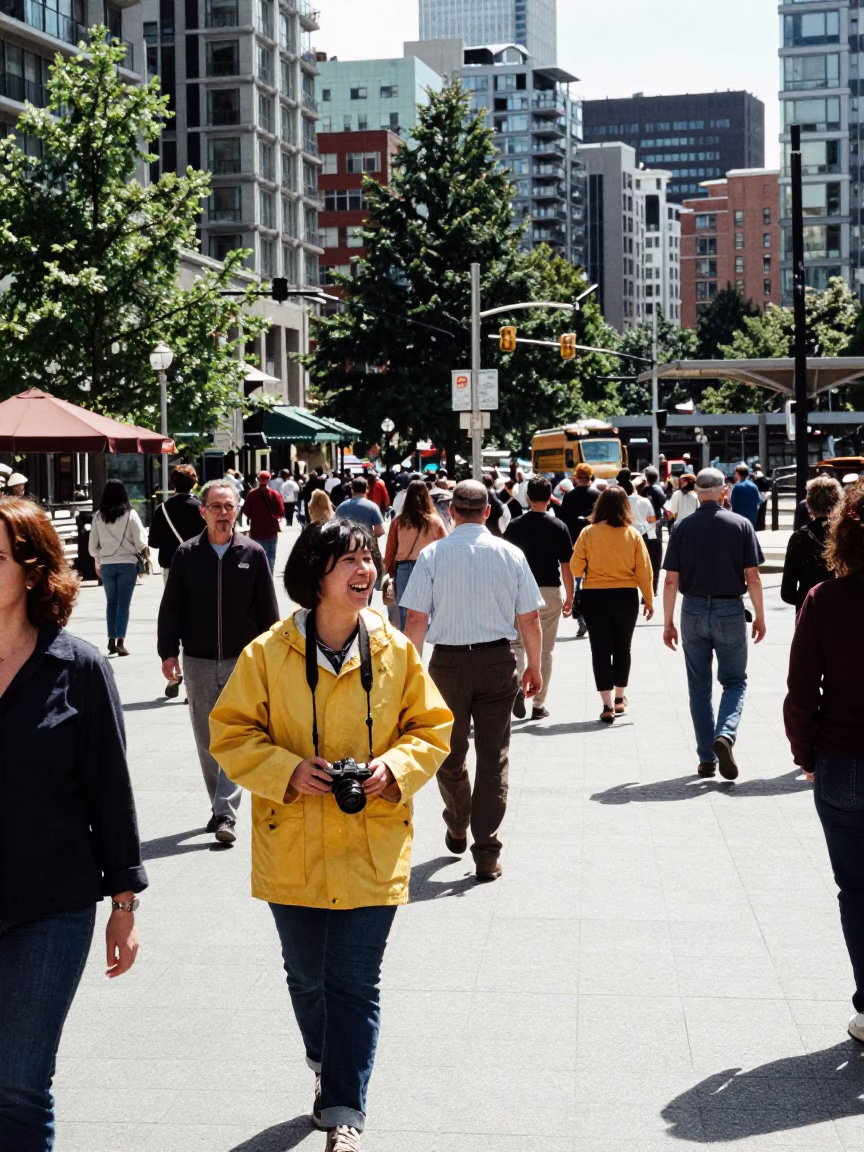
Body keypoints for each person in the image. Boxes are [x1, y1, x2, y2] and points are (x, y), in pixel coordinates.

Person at [209, 519, 452, 1152]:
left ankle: (344, 1110)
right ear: (316, 573)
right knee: (306, 977)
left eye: (369, 558)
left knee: (354, 980)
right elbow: (229, 735)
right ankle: (325, 1062)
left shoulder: (396, 649)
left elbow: (432, 730)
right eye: (349, 559)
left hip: (372, 846)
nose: (365, 569)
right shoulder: (266, 653)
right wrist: (288, 770)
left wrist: (392, 769)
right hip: (290, 843)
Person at [0, 498, 147, 1152]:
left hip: (50, 906)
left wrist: (123, 901)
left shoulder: (79, 668)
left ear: (32, 572)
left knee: (20, 1083)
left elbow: (109, 791)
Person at [402, 480, 544, 881]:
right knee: (493, 756)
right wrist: (535, 666)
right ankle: (486, 850)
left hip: (446, 664)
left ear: (452, 513)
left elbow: (415, 619)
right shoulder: (510, 553)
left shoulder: (432, 555)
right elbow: (529, 618)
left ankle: (458, 817)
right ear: (487, 512)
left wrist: (410, 670)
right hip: (498, 660)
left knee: (447, 751)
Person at [784, 484, 864, 1044]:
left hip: (844, 760)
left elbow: (799, 690)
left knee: (857, 891)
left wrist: (805, 755)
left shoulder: (824, 599)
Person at [158, 480, 279, 844]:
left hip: (242, 660)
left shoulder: (253, 554)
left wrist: (272, 656)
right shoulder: (186, 554)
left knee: (237, 733)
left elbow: (268, 612)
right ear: (203, 511)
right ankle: (218, 804)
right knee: (207, 738)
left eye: (229, 507)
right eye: (216, 507)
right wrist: (167, 652)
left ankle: (225, 812)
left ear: (237, 510)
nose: (223, 514)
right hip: (196, 658)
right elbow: (171, 608)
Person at [662, 467, 766, 780]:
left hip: (692, 608)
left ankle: (707, 758)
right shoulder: (741, 525)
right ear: (724, 491)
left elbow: (669, 581)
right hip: (729, 609)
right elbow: (753, 577)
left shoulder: (682, 527)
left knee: (698, 687)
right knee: (734, 681)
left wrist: (668, 622)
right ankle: (726, 734)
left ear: (696, 492)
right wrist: (760, 615)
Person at [569, 486, 653, 723]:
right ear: (625, 506)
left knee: (600, 650)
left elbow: (576, 567)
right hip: (626, 596)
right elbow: (644, 570)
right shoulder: (633, 534)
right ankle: (619, 698)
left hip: (594, 596)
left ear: (599, 506)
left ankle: (606, 705)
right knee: (622, 648)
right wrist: (648, 597)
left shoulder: (587, 533)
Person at [504, 477, 574, 721]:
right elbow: (566, 566)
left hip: (519, 590)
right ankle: (539, 704)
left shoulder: (513, 526)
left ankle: (515, 688)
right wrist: (570, 596)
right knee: (545, 650)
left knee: (517, 645)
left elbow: (505, 563)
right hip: (549, 591)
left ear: (527, 497)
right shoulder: (559, 526)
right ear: (549, 498)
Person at [88, 479, 146, 657]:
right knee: (123, 604)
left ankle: (111, 639)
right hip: (128, 564)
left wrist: (100, 555)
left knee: (111, 603)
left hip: (107, 565)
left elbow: (91, 547)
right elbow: (141, 542)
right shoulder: (130, 514)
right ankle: (121, 641)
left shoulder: (98, 516)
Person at [383, 479, 448, 632]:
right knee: (426, 609)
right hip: (428, 568)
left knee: (405, 611)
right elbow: (445, 547)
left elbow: (390, 551)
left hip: (404, 568)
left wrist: (389, 572)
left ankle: (408, 646)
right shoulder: (435, 522)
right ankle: (422, 643)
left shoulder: (398, 522)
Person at [781, 475, 843, 612]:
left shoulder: (798, 538)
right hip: (840, 611)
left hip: (808, 611)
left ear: (809, 505)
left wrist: (805, 600)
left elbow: (787, 592)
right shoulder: (845, 535)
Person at [147, 464, 203, 585]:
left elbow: (154, 543)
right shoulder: (202, 509)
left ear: (173, 484)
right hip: (197, 564)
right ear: (193, 483)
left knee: (173, 602)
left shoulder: (162, 509)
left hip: (170, 564)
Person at [242, 471, 285, 574]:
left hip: (256, 530)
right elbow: (281, 511)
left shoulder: (252, 494)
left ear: (258, 479)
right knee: (270, 556)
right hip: (271, 529)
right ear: (269, 480)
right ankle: (269, 575)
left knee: (257, 554)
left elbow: (246, 511)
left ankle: (258, 575)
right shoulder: (275, 494)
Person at [643, 465, 668, 596]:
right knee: (656, 558)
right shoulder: (658, 490)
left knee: (644, 559)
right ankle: (653, 589)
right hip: (655, 526)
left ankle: (645, 589)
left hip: (643, 527)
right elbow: (665, 506)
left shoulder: (641, 490)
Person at [558, 463, 599, 541]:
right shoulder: (597, 496)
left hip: (574, 538)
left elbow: (563, 520)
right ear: (590, 477)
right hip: (592, 537)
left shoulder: (568, 496)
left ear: (576, 478)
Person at [751, 461, 771, 532]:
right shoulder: (763, 476)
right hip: (764, 494)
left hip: (759, 494)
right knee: (763, 511)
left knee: (758, 511)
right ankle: (762, 525)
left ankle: (758, 526)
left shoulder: (756, 475)